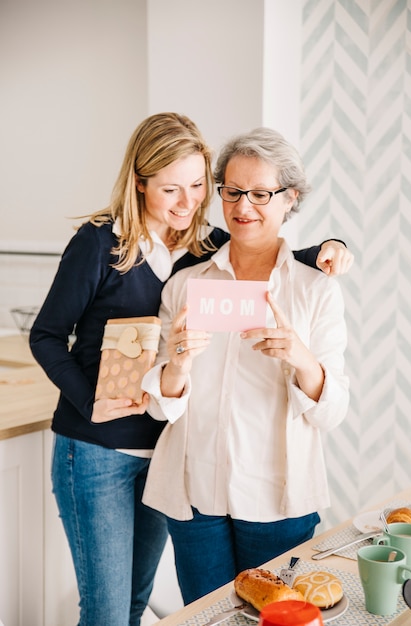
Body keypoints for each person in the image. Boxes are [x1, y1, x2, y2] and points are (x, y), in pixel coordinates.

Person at [29, 112, 351, 625]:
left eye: (199, 186)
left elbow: (263, 238)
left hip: (161, 451)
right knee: (109, 612)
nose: (189, 202)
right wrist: (93, 400)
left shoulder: (199, 244)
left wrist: (329, 250)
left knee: (136, 601)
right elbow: (45, 335)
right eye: (171, 189)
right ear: (140, 183)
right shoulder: (102, 244)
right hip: (102, 446)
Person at [141, 126, 350, 605]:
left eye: (260, 193)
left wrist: (300, 357)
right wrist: (178, 363)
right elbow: (158, 410)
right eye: (232, 192)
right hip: (194, 493)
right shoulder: (185, 284)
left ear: (289, 198)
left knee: (279, 617)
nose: (242, 207)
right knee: (206, 615)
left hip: (278, 496)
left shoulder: (315, 289)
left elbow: (331, 412)